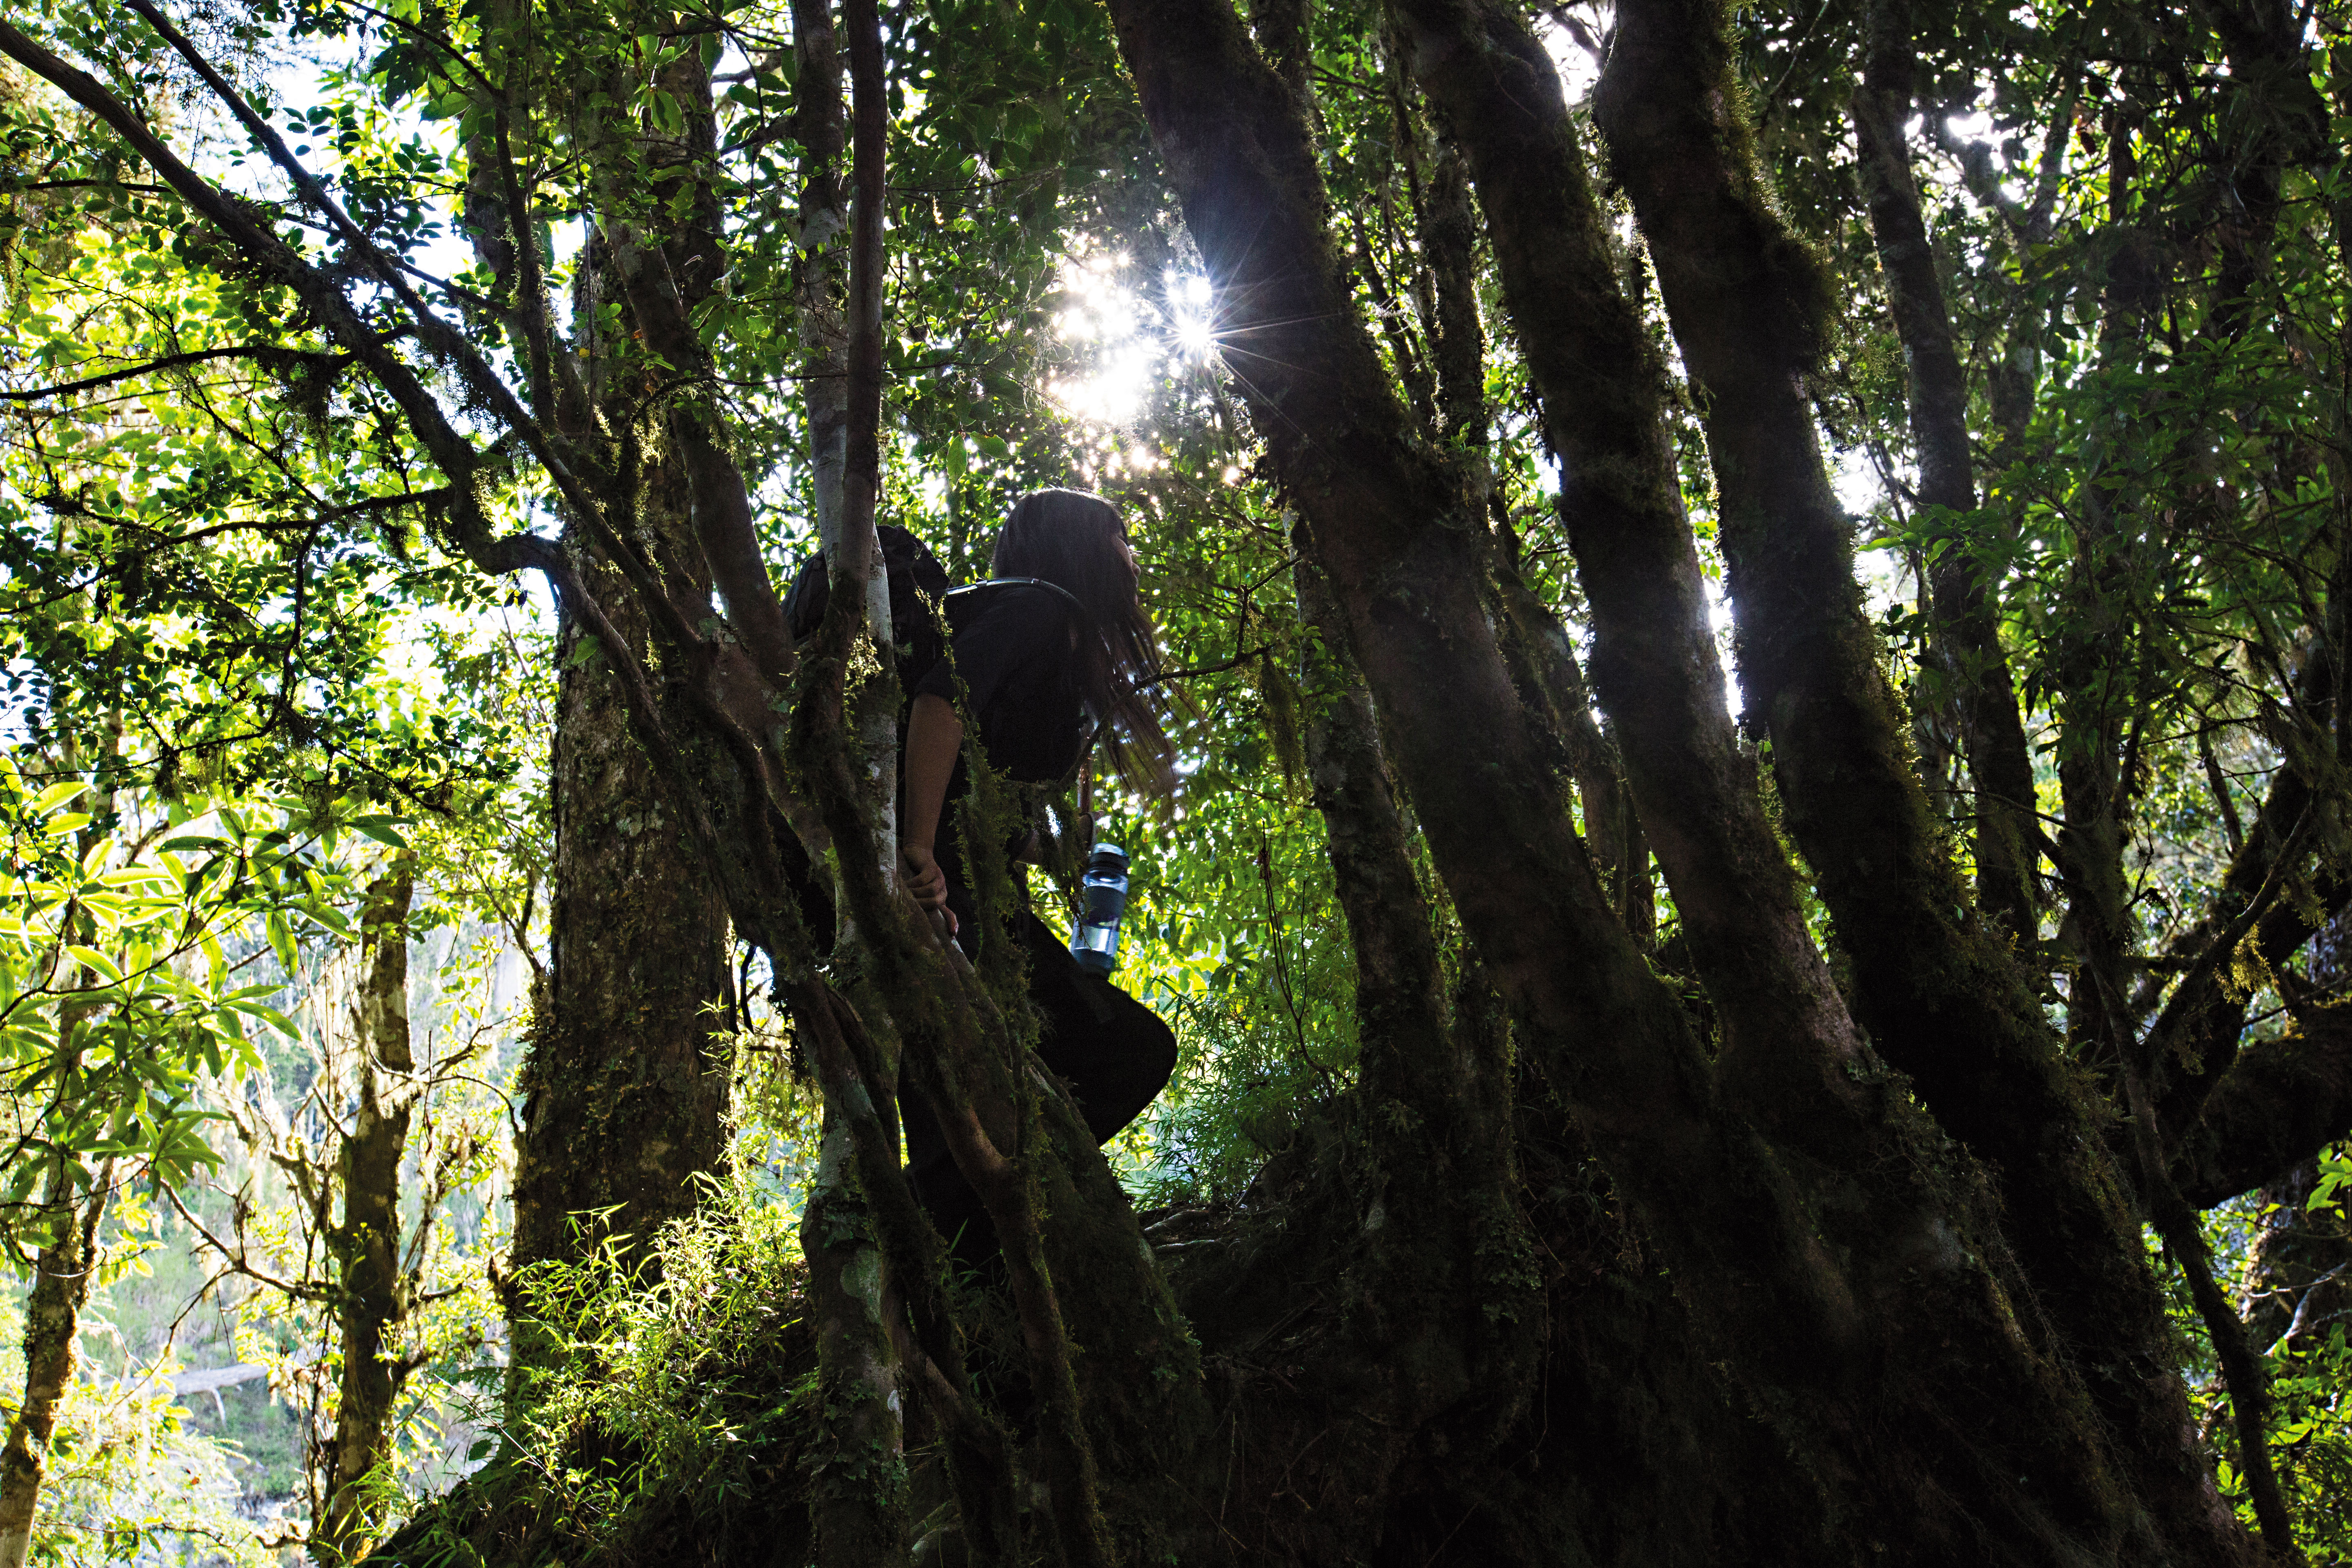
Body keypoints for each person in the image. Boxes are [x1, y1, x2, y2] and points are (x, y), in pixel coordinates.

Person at [896, 488, 1181, 1269]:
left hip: (965, 897)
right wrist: (916, 853)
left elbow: (984, 775)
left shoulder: (1026, 618)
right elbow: (938, 702)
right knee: (1126, 1054)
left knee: (953, 1107)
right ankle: (944, 1232)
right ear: (1080, 548)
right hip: (938, 897)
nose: (1130, 559)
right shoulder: (1038, 607)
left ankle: (965, 1267)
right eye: (1120, 539)